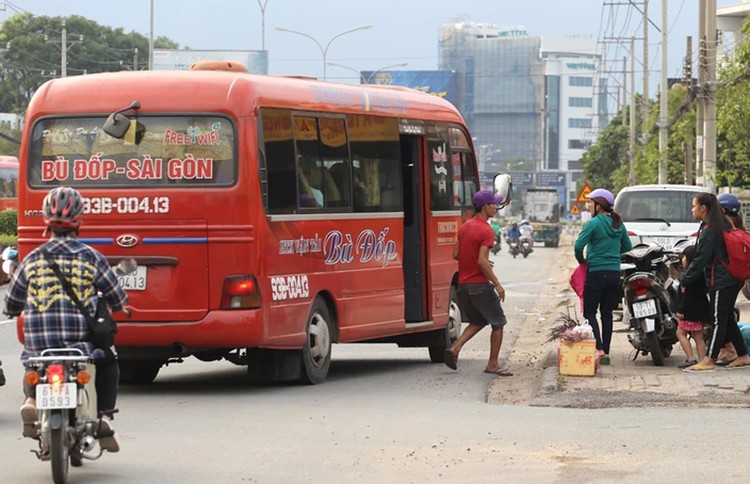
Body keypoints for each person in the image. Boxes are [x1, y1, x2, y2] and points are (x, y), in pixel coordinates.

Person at [4, 186, 128, 451]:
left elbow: (12, 302)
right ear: (79, 221)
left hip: (41, 345)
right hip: (78, 345)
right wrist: (120, 305)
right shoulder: (91, 257)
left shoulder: (32, 259)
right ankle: (104, 416)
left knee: (34, 366)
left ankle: (31, 402)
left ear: (46, 222)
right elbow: (117, 297)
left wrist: (13, 310)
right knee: (108, 361)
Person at [444, 189, 512, 376]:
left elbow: (456, 254)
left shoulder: (465, 226)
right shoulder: (486, 230)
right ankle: (492, 364)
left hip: (464, 285)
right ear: (485, 207)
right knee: (498, 322)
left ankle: (455, 349)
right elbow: (482, 261)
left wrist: (477, 260)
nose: (496, 208)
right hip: (480, 284)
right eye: (494, 205)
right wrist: (497, 284)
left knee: (477, 320)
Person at [681, 192, 750, 371]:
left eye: (694, 206)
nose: (692, 209)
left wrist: (685, 280)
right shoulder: (719, 224)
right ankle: (742, 355)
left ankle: (708, 359)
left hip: (722, 279)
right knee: (727, 318)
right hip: (731, 278)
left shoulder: (711, 230)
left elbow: (700, 259)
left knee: (718, 319)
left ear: (703, 208)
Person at [574, 188, 632, 365]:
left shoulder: (593, 224)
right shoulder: (618, 224)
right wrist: (612, 253)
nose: (589, 206)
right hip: (614, 274)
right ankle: (606, 351)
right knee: (607, 313)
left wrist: (582, 261)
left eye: (591, 203)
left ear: (599, 205)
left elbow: (578, 246)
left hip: (596, 273)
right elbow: (627, 247)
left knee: (589, 312)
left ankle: (598, 348)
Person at [674, 244, 711, 369]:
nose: (682, 260)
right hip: (700, 311)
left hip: (689, 312)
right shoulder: (701, 273)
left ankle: (691, 358)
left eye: (684, 257)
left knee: (680, 333)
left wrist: (681, 310)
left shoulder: (689, 276)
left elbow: (687, 297)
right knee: (698, 336)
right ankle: (702, 361)